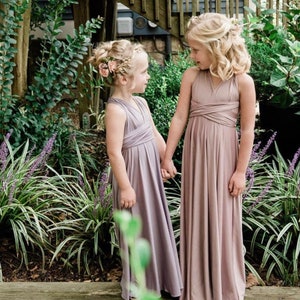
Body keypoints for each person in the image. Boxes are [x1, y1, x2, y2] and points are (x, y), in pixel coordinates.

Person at [161, 13, 256, 300]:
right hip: (195, 157)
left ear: (216, 48)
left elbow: (248, 131)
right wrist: (168, 156)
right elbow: (179, 118)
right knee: (196, 214)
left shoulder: (243, 82)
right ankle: (198, 285)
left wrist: (240, 172)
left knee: (224, 218)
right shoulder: (191, 76)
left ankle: (224, 286)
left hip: (225, 159)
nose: (191, 56)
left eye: (195, 49)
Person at [88, 39, 182, 300]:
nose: (148, 76)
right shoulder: (115, 110)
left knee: (155, 224)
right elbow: (114, 152)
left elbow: (154, 135)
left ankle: (162, 280)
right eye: (143, 72)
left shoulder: (141, 103)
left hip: (150, 176)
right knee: (138, 229)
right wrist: (126, 186)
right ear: (124, 79)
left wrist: (166, 160)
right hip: (132, 179)